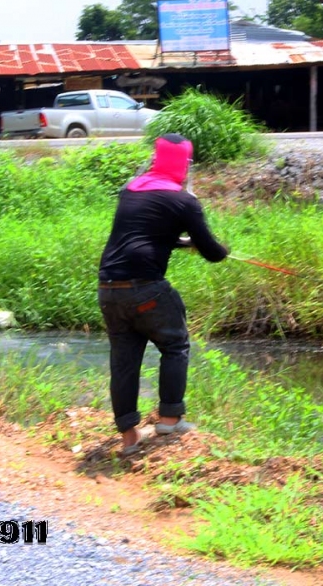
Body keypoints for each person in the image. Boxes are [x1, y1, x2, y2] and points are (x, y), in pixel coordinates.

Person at [97, 133, 228, 456]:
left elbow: (145, 232)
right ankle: (169, 419)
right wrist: (222, 250)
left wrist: (181, 243)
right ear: (185, 163)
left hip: (108, 289)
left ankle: (129, 439)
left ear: (156, 159)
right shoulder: (185, 201)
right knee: (175, 343)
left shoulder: (130, 191)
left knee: (124, 361)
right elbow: (212, 252)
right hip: (146, 289)